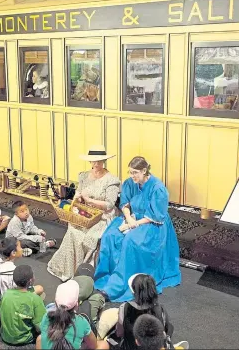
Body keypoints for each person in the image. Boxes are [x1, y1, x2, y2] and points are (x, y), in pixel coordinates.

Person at [94, 156, 181, 302]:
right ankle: (107, 275)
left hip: (151, 222)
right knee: (110, 236)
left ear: (144, 171)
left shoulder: (158, 188)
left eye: (135, 172)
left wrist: (136, 224)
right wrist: (128, 219)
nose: (132, 176)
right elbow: (125, 204)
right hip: (132, 218)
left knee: (131, 241)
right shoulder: (130, 183)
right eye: (130, 172)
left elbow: (156, 216)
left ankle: (118, 285)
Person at [48, 145, 120, 281]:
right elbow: (78, 193)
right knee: (73, 232)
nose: (96, 164)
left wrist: (89, 200)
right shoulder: (84, 176)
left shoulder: (111, 180)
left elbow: (110, 204)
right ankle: (69, 269)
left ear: (104, 161)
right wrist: (78, 198)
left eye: (99, 161)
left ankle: (83, 271)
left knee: (88, 237)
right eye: (94, 161)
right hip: (85, 213)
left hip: (103, 216)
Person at [37, 280, 109, 350]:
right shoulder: (82, 322)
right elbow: (93, 345)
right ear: (77, 304)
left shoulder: (46, 317)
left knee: (39, 338)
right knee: (104, 345)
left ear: (55, 303)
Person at [0, 265, 46, 346]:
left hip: (5, 338)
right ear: (30, 281)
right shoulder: (35, 299)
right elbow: (41, 327)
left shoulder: (6, 294)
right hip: (25, 340)